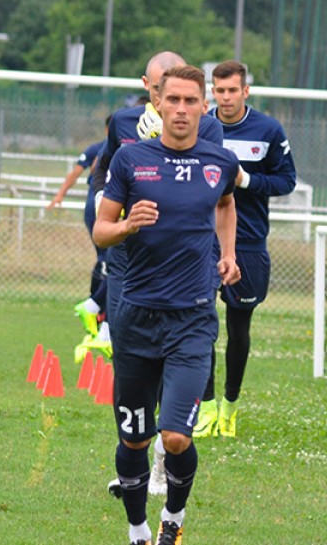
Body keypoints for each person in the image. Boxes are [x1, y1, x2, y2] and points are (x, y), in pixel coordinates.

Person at [93, 64, 241, 545]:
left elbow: (225, 203)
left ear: (205, 107)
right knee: (134, 438)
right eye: (172, 100)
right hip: (135, 315)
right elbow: (101, 230)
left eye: (190, 101)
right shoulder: (131, 161)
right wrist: (128, 226)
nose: (180, 109)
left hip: (193, 318)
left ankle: (172, 520)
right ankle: (136, 529)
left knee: (175, 436)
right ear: (157, 104)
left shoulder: (218, 162)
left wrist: (229, 253)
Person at [193, 60, 297, 438]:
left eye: (232, 90)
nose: (225, 98)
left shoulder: (267, 130)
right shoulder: (202, 127)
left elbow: (287, 181)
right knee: (202, 326)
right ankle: (204, 407)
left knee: (238, 328)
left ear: (245, 91)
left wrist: (246, 179)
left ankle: (229, 407)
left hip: (249, 242)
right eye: (218, 91)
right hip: (203, 239)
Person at [47, 118, 112, 363]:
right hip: (99, 209)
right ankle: (96, 308)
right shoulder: (102, 148)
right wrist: (60, 195)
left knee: (106, 263)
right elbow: (80, 171)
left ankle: (99, 314)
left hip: (101, 209)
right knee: (112, 263)